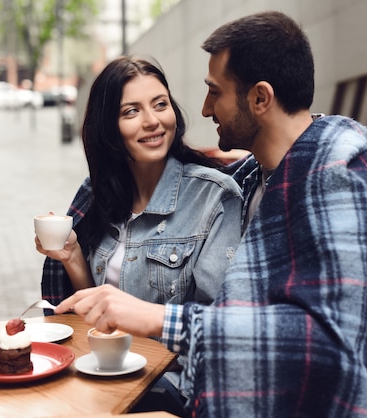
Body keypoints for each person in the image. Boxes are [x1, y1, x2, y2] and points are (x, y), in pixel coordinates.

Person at [53, 11, 367, 417]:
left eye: (215, 92)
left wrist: (156, 318)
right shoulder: (255, 177)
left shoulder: (345, 184)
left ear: (260, 98)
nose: (203, 108)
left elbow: (330, 344)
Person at [37, 56, 243, 413]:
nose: (152, 121)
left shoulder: (214, 196)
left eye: (160, 105)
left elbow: (219, 327)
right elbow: (104, 315)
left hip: (171, 389)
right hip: (106, 374)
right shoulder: (98, 196)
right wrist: (72, 256)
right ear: (109, 128)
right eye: (131, 111)